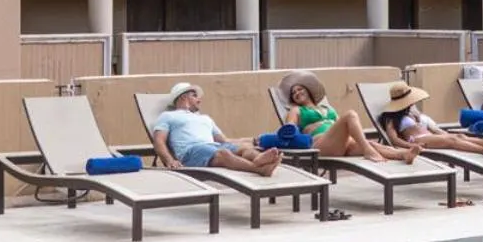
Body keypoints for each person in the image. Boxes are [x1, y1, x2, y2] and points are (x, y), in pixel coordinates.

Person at [279, 71, 418, 163]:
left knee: (372, 144)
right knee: (350, 115)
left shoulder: (327, 108)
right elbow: (289, 131)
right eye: (293, 93)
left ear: (308, 90)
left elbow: (342, 127)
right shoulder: (296, 110)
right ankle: (368, 151)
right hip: (319, 146)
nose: (297, 93)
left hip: (340, 144)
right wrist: (309, 128)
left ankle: (404, 155)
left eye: (299, 89)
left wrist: (329, 122)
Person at [151, 82, 283, 175]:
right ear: (184, 97)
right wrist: (170, 160)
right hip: (191, 152)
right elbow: (159, 141)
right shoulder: (168, 116)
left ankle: (259, 159)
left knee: (243, 149)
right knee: (223, 154)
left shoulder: (205, 118)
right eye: (195, 96)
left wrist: (251, 141)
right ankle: (258, 169)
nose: (199, 100)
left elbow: (224, 140)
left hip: (213, 146)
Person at [379, 82, 483, 157]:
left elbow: (429, 127)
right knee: (452, 140)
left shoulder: (411, 111)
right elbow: (394, 139)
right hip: (418, 140)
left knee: (459, 136)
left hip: (428, 136)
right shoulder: (391, 117)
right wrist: (411, 146)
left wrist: (417, 116)